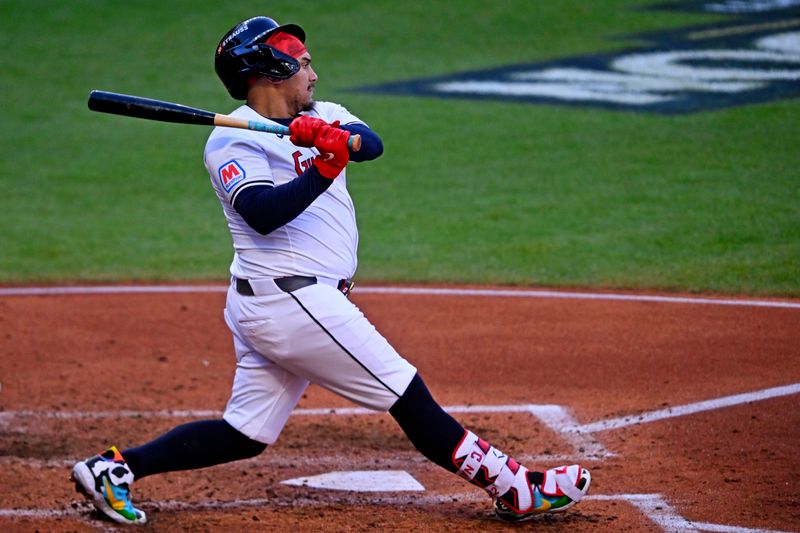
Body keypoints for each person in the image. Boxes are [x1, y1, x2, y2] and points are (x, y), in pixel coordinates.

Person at [71, 16, 591, 525]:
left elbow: (371, 144)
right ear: (269, 70)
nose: (313, 74)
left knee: (244, 434)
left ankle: (114, 468)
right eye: (302, 64)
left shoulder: (326, 110)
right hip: (291, 302)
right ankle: (515, 488)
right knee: (405, 392)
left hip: (280, 303)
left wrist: (331, 136)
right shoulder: (229, 143)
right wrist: (325, 165)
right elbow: (264, 213)